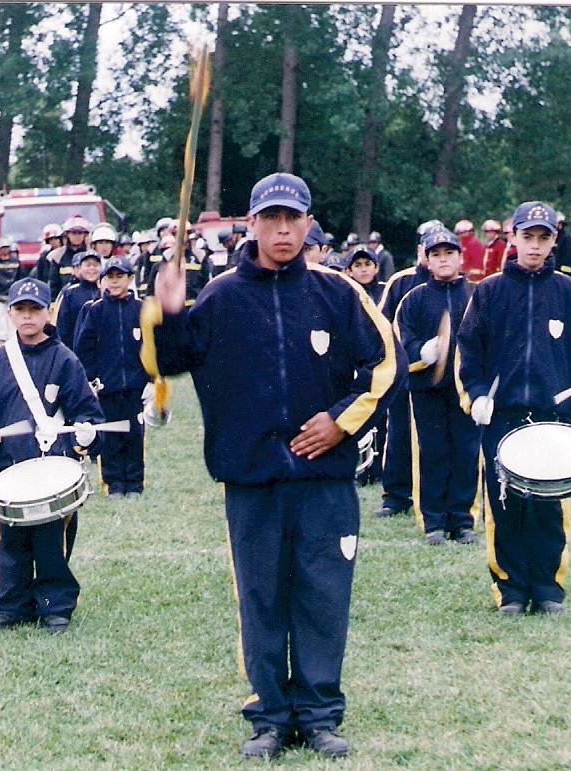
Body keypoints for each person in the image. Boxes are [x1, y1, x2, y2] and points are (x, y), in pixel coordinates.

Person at [144, 173, 403, 760]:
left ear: (309, 224)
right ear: (252, 224)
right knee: (260, 598)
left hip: (324, 480)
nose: (283, 230)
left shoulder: (339, 294)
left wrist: (340, 421)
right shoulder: (221, 296)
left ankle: (319, 715)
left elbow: (386, 366)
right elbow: (166, 362)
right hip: (252, 478)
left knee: (322, 596)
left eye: (293, 219)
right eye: (271, 219)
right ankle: (269, 716)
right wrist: (170, 309)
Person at [457, 201, 571, 617]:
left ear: (554, 239)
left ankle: (547, 587)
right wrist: (476, 396)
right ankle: (510, 588)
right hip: (501, 417)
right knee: (503, 504)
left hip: (552, 418)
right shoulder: (488, 291)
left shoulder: (568, 292)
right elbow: (468, 354)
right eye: (528, 237)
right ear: (513, 237)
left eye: (544, 237)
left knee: (548, 507)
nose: (535, 246)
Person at [0, 277, 104, 635]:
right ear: (10, 314)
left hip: (53, 467)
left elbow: (88, 413)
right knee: (9, 540)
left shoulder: (65, 359)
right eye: (21, 309)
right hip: (8, 467)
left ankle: (55, 604)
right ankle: (10, 604)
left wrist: (87, 433)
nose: (28, 316)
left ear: (48, 313)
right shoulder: (0, 359)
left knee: (51, 540)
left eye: (35, 309)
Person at [394, 228, 478, 546]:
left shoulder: (476, 295)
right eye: (436, 254)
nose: (443, 260)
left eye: (449, 253)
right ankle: (433, 522)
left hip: (466, 390)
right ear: (427, 260)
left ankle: (462, 520)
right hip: (427, 389)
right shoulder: (413, 299)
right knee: (432, 452)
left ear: (460, 257)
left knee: (466, 452)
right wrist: (421, 352)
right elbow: (400, 341)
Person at [373, 222, 437, 519]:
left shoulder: (458, 284)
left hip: (441, 376)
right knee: (398, 434)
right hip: (406, 373)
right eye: (430, 248)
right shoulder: (401, 281)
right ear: (419, 249)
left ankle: (436, 498)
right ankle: (396, 496)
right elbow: (381, 323)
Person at [73, 257, 147, 499]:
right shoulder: (95, 310)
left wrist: (150, 379)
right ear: (102, 281)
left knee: (134, 435)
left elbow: (152, 346)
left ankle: (134, 483)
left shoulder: (141, 308)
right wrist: (91, 379)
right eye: (110, 277)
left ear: (130, 279)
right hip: (107, 387)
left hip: (135, 387)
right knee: (110, 436)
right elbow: (85, 348)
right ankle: (113, 483)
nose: (115, 282)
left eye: (120, 276)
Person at [53, 251, 101, 345]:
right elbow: (61, 327)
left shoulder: (106, 292)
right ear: (80, 268)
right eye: (88, 265)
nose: (92, 268)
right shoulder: (69, 293)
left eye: (95, 265)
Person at [0, 237, 25, 343]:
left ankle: (13, 336)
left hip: (13, 294)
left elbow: (21, 277)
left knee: (13, 315)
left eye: (6, 247)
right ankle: (2, 336)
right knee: (1, 316)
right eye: (2, 248)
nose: (4, 250)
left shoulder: (16, 261)